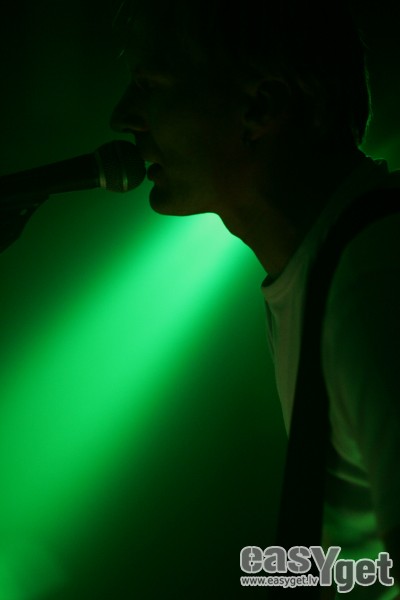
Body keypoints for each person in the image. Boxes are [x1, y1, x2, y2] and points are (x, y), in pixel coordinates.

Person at [110, 0, 400, 597]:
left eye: (150, 85)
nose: (123, 117)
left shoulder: (374, 281)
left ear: (259, 107)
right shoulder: (327, 268)